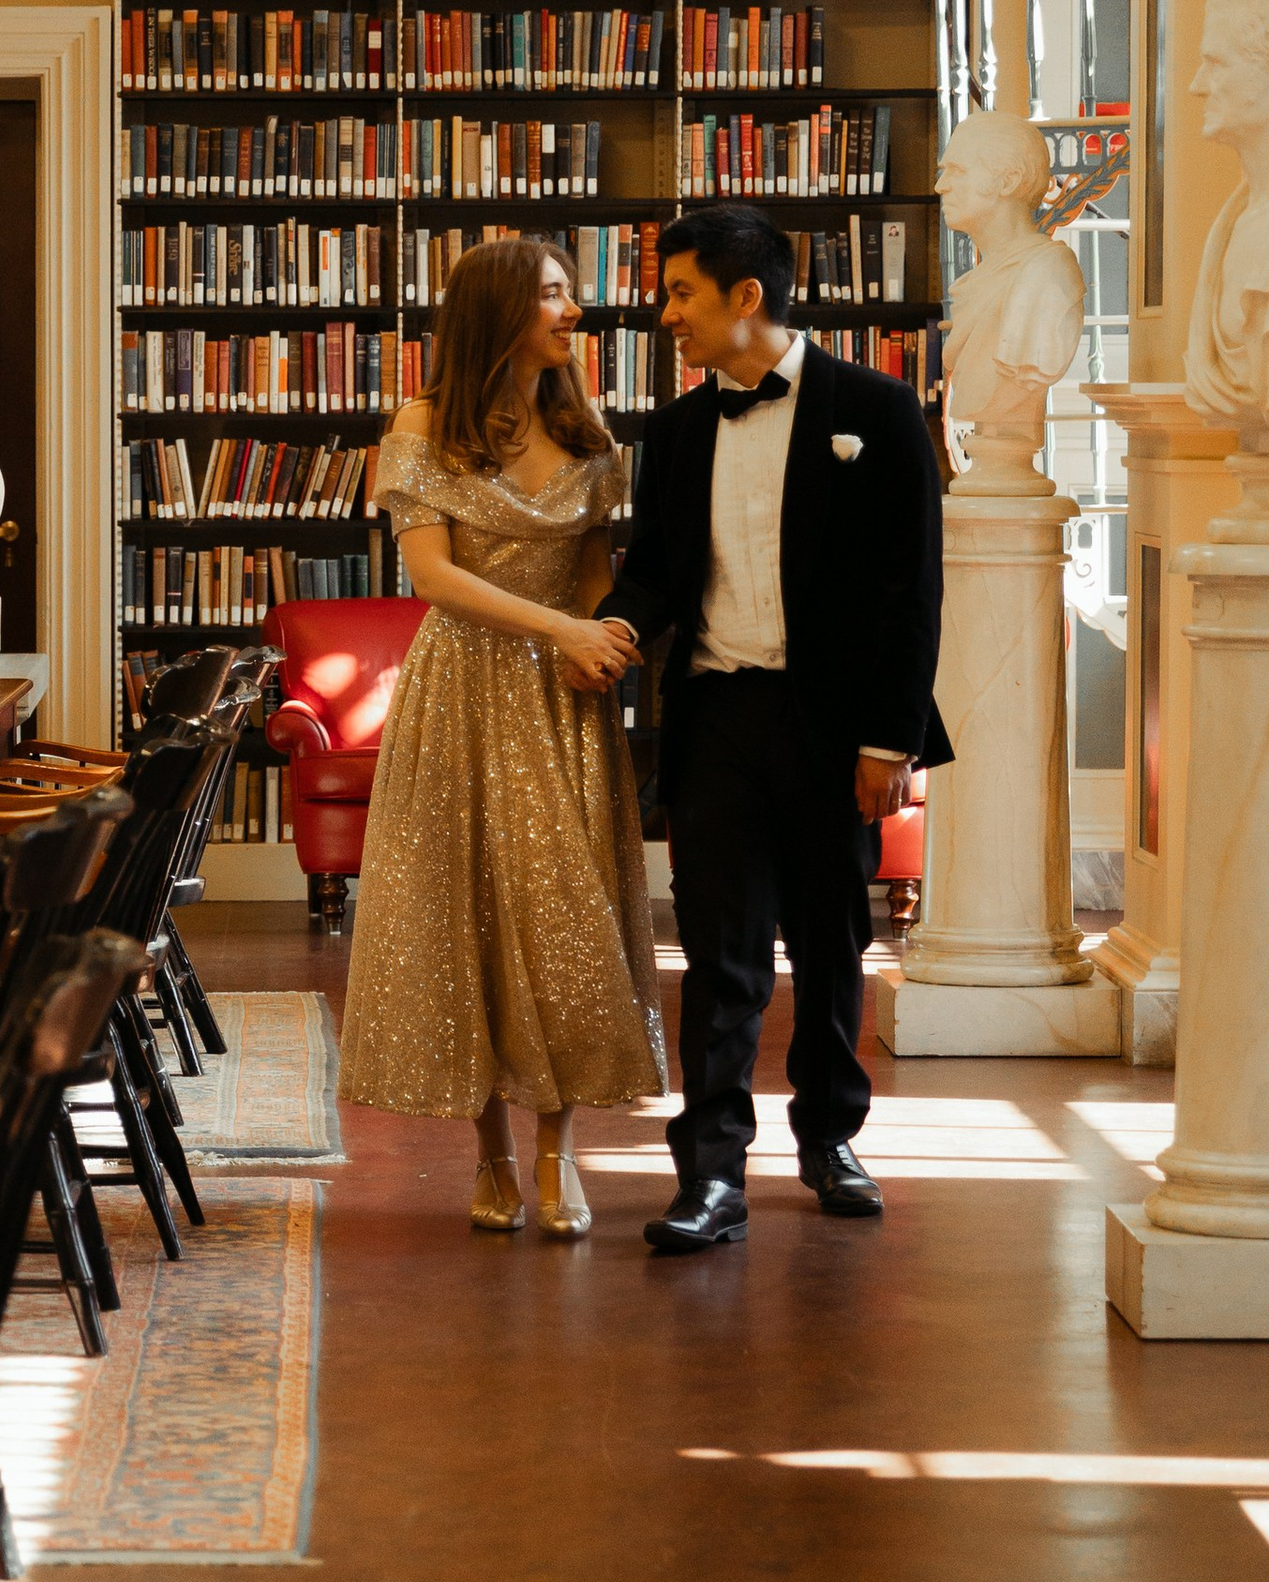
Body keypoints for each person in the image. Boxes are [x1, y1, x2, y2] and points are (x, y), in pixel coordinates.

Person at [609, 201, 951, 1258]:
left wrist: (888, 741)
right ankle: (710, 1174)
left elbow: (912, 589)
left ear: (743, 296)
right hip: (715, 717)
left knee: (832, 940)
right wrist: (615, 626)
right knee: (718, 954)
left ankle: (830, 1139)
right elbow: (656, 569)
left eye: (679, 293)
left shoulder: (878, 411)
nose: (662, 314)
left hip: (835, 726)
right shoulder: (670, 432)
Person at [338, 236, 663, 1238]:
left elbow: (595, 572)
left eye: (570, 295)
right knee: (465, 912)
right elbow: (431, 580)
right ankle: (488, 1156)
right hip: (462, 687)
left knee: (566, 918)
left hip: (561, 697)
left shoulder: (586, 428)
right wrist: (561, 627)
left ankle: (558, 1151)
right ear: (500, 310)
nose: (575, 313)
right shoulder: (423, 425)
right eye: (556, 297)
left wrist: (603, 638)